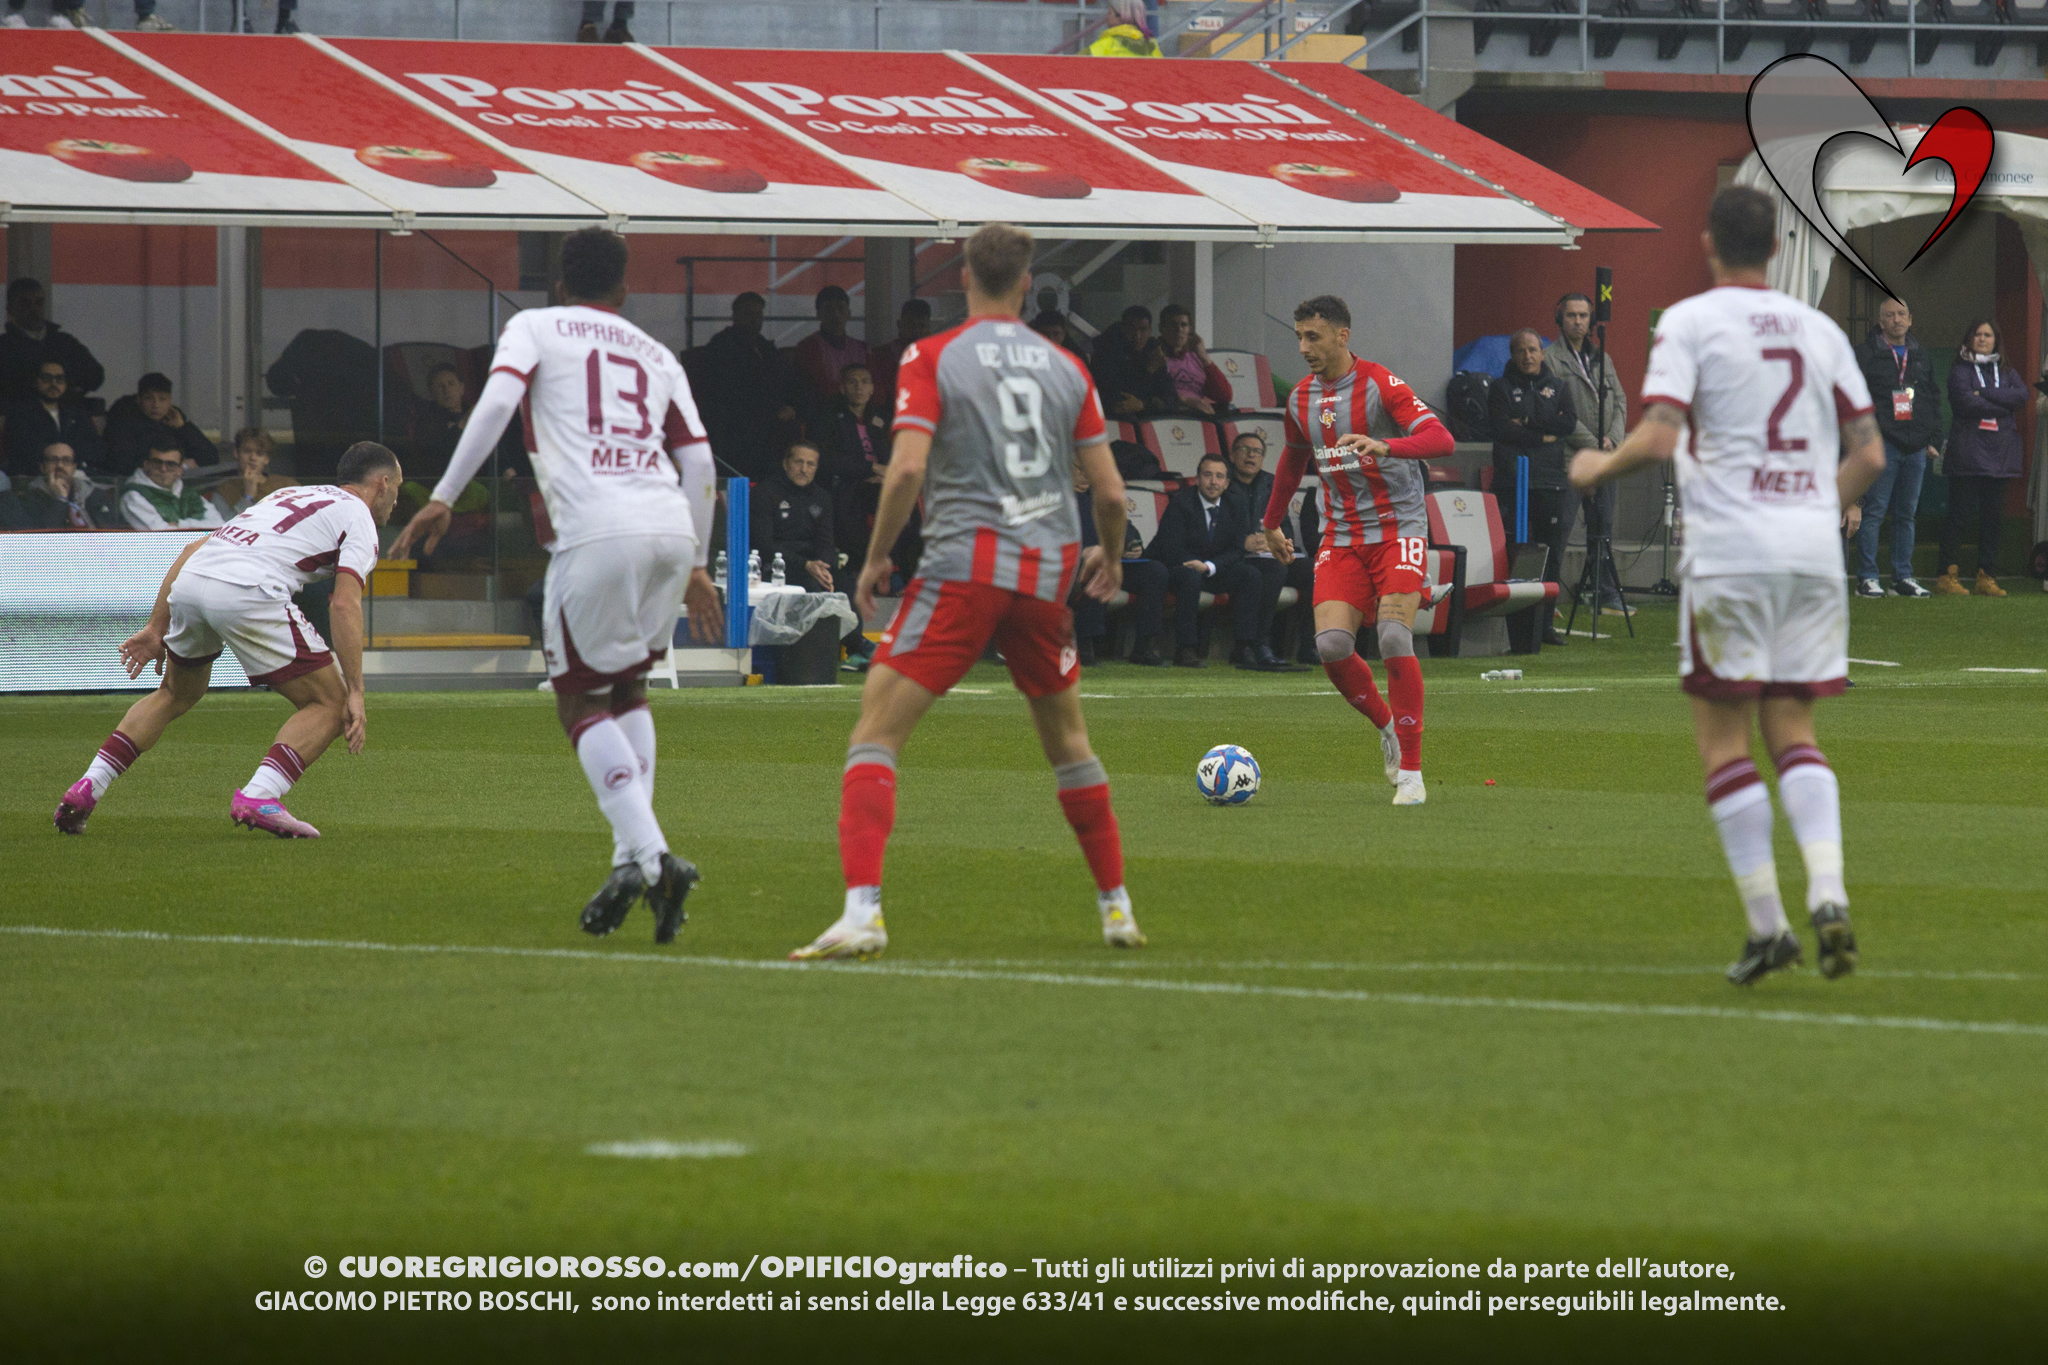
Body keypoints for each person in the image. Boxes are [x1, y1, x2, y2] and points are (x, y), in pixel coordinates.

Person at [789, 221, 1142, 961]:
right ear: (1027, 284)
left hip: (965, 570)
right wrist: (1109, 559)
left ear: (964, 278)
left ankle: (862, 912)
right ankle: (1116, 907)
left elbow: (907, 468)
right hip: (1044, 576)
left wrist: (874, 558)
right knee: (1069, 742)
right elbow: (1111, 492)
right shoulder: (1068, 368)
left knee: (875, 732)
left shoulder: (932, 355)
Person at [1568, 185, 1885, 986]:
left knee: (1723, 739)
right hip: (1811, 554)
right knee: (1795, 729)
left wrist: (1597, 466)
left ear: (1709, 242)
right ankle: (1829, 889)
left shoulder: (1690, 322)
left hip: (1733, 554)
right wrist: (1816, 512)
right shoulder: (1820, 330)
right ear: (1777, 247)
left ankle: (1768, 923)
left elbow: (1661, 434)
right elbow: (1871, 454)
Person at [391, 227, 721, 944]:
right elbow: (699, 462)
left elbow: (494, 405)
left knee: (577, 700)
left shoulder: (535, 327)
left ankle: (656, 858)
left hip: (597, 529)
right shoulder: (656, 353)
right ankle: (629, 860)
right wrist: (697, 561)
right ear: (624, 289)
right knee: (629, 687)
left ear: (561, 285)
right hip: (669, 525)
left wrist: (444, 494)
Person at [53, 441, 404, 841]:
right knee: (332, 703)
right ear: (382, 483)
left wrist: (155, 627)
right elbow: (344, 603)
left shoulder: (290, 495)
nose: (396, 500)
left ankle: (89, 786)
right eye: (397, 489)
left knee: (174, 694)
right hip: (247, 588)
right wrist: (356, 689)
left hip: (193, 581)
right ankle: (260, 795)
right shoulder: (359, 518)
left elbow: (192, 548)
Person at [1262, 294, 1452, 807]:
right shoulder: (1300, 398)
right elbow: (1293, 460)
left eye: (1314, 336)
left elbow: (1441, 439)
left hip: (1398, 529)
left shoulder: (1380, 384)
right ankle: (1388, 727)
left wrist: (1388, 445)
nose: (1304, 347)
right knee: (1331, 647)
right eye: (1299, 337)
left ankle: (1411, 772)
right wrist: (1271, 522)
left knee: (1392, 635)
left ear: (1343, 336)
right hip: (1341, 536)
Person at [1490, 328, 1578, 645]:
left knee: (1549, 554)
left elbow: (1568, 424)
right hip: (1513, 482)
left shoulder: (1559, 387)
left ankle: (1545, 627)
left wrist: (1527, 423)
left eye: (1532, 350)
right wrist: (1544, 436)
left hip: (1550, 482)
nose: (1527, 356)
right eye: (1521, 350)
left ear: (1542, 353)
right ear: (1513, 355)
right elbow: (1502, 429)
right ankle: (1515, 625)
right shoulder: (1500, 388)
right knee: (1516, 552)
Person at [1544, 291, 1628, 614]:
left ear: (1591, 320)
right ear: (1560, 319)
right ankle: (1549, 596)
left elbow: (1620, 401)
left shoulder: (1603, 358)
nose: (1577, 322)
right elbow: (1556, 411)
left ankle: (1603, 592)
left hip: (1605, 459)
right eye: (1571, 315)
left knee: (1602, 529)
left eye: (1583, 316)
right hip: (1569, 459)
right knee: (1560, 530)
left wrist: (1614, 439)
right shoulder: (1550, 359)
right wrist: (1594, 443)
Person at [1850, 297, 1937, 598]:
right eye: (1890, 315)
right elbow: (1855, 398)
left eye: (1901, 314)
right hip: (1882, 441)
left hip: (1916, 445)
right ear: (1880, 321)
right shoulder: (1866, 354)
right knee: (1874, 511)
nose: (1896, 319)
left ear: (1910, 319)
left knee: (1906, 514)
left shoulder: (1921, 355)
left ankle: (1902, 578)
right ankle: (1867, 577)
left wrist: (1934, 438)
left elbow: (1932, 396)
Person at [1932, 319, 2025, 598]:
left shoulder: (2006, 370)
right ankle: (1946, 575)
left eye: (1988, 335)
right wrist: (2002, 405)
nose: (1983, 339)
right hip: (1968, 453)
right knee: (1959, 516)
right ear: (1969, 339)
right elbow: (1964, 402)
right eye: (1978, 334)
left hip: (2000, 454)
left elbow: (2021, 395)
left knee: (1992, 519)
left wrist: (1983, 392)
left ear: (1996, 340)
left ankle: (1986, 576)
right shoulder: (1960, 370)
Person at [1225, 429, 1309, 668]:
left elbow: (1285, 526)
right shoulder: (1223, 482)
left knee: (1312, 570)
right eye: (1244, 450)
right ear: (1232, 455)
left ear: (1263, 458)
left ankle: (1310, 646)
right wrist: (1243, 541)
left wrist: (1279, 540)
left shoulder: (1271, 484)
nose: (1251, 455)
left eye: (1257, 452)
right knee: (1273, 569)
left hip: (1268, 554)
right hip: (1235, 557)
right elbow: (1214, 527)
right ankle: (1257, 644)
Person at [1069, 461, 1166, 666]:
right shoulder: (1059, 501)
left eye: (1088, 469)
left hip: (1114, 562)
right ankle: (1085, 646)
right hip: (1076, 564)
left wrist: (1132, 544)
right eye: (1079, 469)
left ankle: (1144, 646)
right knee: (1094, 568)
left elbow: (1126, 527)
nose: (1085, 474)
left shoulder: (1101, 497)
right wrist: (1083, 552)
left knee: (1155, 572)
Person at [693, 291, 797, 481]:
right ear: (735, 316)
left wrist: (788, 406)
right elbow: (730, 391)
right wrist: (772, 410)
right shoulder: (721, 346)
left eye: (758, 314)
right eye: (748, 314)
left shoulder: (764, 346)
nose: (754, 319)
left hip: (766, 421)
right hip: (735, 425)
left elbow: (782, 382)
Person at [0, 277, 103, 408]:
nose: (33, 309)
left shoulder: (64, 342)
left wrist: (67, 387)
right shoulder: (4, 347)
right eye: (25, 303)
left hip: (66, 413)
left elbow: (96, 375)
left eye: (39, 302)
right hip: (22, 415)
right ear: (10, 308)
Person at [753, 442, 838, 592]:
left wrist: (823, 569)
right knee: (812, 586)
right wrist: (805, 565)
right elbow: (764, 544)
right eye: (798, 462)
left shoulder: (822, 497)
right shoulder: (765, 492)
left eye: (810, 464)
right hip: (777, 566)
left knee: (851, 586)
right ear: (785, 464)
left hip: (813, 566)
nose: (804, 469)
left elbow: (826, 543)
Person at [4, 359, 103, 478]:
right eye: (47, 378)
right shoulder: (20, 412)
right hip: (33, 476)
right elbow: (22, 448)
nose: (54, 384)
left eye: (59, 379)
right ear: (36, 381)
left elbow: (95, 448)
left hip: (76, 475)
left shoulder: (77, 413)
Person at [103, 372, 215, 477]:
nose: (156, 405)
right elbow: (122, 464)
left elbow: (210, 458)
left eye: (162, 399)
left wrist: (183, 428)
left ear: (170, 401)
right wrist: (177, 465)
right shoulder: (123, 424)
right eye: (149, 398)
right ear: (139, 400)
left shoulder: (175, 422)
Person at [791, 285, 869, 413]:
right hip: (825, 413)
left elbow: (878, 392)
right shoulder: (808, 347)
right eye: (828, 309)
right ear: (818, 314)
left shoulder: (862, 348)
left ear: (849, 313)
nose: (835, 315)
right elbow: (821, 389)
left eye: (840, 308)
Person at [122, 435, 223, 531]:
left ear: (180, 470)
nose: (163, 469)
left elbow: (220, 526)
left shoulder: (188, 493)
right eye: (157, 462)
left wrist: (181, 524)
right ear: (146, 465)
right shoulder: (133, 495)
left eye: (170, 464)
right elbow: (163, 534)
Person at [1090, 305, 1176, 418]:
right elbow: (1116, 400)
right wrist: (1148, 370)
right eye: (1131, 329)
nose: (1137, 336)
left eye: (1143, 329)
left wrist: (1144, 405)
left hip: (1148, 420)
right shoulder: (1106, 352)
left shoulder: (1153, 352)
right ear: (1123, 329)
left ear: (1150, 331)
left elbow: (1171, 399)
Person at [19, 442, 120, 529]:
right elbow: (43, 539)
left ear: (74, 467)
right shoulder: (29, 499)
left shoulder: (94, 495)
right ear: (43, 467)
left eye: (66, 460)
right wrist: (61, 500)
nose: (60, 465)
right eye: (53, 460)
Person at [1155, 305, 1233, 417]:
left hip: (1201, 417)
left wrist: (1205, 358)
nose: (1179, 329)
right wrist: (1183, 400)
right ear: (1161, 328)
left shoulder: (1196, 358)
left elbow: (1225, 396)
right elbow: (1150, 393)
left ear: (1189, 329)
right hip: (1171, 414)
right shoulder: (1155, 355)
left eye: (1183, 325)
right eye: (1173, 325)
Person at [209, 428, 297, 520]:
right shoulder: (224, 491)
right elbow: (222, 525)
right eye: (247, 451)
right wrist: (248, 496)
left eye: (259, 453)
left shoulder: (287, 485)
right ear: (236, 453)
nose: (253, 458)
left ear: (267, 459)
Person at [865, 298, 932, 415]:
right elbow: (877, 398)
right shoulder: (881, 355)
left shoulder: (936, 356)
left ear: (928, 328)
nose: (916, 331)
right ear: (900, 325)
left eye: (921, 326)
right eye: (911, 325)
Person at [1089, 0, 1162, 56]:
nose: (1106, 17)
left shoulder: (1106, 44)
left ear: (1121, 16)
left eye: (1109, 13)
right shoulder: (1152, 45)